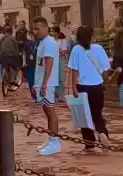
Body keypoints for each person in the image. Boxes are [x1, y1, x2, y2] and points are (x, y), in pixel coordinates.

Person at [67, 25, 111, 150]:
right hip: (97, 86)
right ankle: (102, 132)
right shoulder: (99, 49)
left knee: (83, 116)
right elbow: (105, 69)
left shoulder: (76, 50)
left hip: (82, 87)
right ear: (91, 35)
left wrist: (73, 87)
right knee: (97, 113)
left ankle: (89, 142)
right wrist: (105, 82)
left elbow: (74, 69)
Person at [31, 17, 61, 156]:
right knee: (46, 111)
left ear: (44, 28)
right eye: (34, 28)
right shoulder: (42, 42)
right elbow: (40, 64)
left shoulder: (49, 42)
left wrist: (44, 83)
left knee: (50, 110)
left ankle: (55, 141)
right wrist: (36, 84)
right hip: (41, 82)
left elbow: (49, 63)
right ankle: (50, 138)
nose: (34, 31)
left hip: (47, 83)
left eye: (37, 28)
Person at [52, 24, 68, 100]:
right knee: (54, 78)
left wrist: (58, 49)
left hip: (60, 59)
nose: (51, 32)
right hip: (53, 60)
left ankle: (62, 95)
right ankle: (56, 95)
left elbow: (64, 52)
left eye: (52, 31)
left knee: (61, 78)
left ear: (56, 32)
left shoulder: (62, 40)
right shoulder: (51, 40)